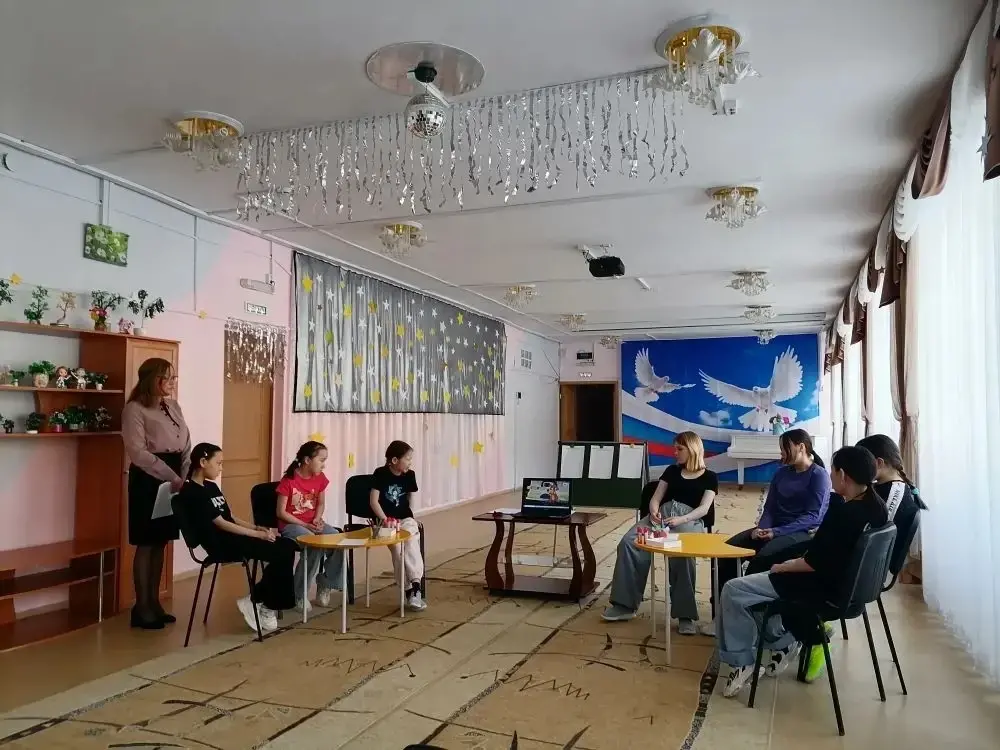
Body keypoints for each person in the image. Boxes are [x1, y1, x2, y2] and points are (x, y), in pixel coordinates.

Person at [717, 445, 889, 697]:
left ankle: (743, 662)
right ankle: (785, 641)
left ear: (843, 475)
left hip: (819, 588)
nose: (830, 475)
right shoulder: (877, 507)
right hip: (852, 591)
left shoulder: (842, 513)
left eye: (833, 470)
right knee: (763, 584)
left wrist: (783, 566)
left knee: (734, 590)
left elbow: (811, 563)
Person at [602, 431, 719, 634]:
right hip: (661, 517)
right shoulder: (671, 471)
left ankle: (685, 615)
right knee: (629, 542)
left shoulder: (710, 477)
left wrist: (681, 519)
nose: (675, 452)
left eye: (679, 449)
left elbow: (704, 509)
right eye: (675, 448)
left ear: (692, 449)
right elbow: (656, 497)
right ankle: (624, 605)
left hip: (689, 520)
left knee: (682, 555)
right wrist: (654, 511)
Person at [177, 443, 297, 633]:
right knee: (279, 552)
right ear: (203, 462)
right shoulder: (192, 492)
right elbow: (221, 523)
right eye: (218, 463)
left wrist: (256, 528)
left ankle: (259, 601)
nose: (221, 468)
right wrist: (257, 535)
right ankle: (259, 601)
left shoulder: (211, 486)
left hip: (233, 536)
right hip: (220, 543)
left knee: (287, 546)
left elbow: (230, 516)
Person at [122, 358, 191, 629]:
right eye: (168, 377)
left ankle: (155, 602)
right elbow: (138, 452)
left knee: (162, 540)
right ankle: (142, 607)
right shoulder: (134, 409)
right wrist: (172, 477)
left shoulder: (173, 406)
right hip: (148, 479)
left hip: (175, 478)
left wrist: (184, 475)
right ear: (153, 379)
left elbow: (186, 443)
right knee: (146, 541)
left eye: (174, 377)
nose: (173, 382)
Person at [716, 429, 831, 592]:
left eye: (784, 448)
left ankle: (745, 598)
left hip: (800, 532)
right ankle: (722, 599)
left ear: (801, 447)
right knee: (727, 551)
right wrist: (761, 528)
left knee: (761, 560)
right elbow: (770, 507)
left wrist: (776, 532)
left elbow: (813, 517)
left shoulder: (819, 475)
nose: (781, 453)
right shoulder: (781, 473)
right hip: (773, 528)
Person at [276, 440, 344, 611]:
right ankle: (300, 594)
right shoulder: (288, 480)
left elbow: (320, 504)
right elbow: (281, 513)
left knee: (337, 539)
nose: (324, 465)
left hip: (311, 524)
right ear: (307, 460)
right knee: (314, 544)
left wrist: (317, 519)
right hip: (292, 525)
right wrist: (305, 525)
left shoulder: (320, 478)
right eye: (321, 460)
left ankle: (326, 582)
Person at [370, 440, 426, 611]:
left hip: (405, 519)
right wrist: (385, 519)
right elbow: (373, 501)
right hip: (385, 521)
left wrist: (412, 516)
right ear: (394, 460)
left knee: (410, 540)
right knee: (396, 548)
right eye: (407, 459)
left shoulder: (410, 475)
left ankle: (416, 585)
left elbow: (410, 498)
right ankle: (409, 590)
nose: (410, 462)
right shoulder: (380, 473)